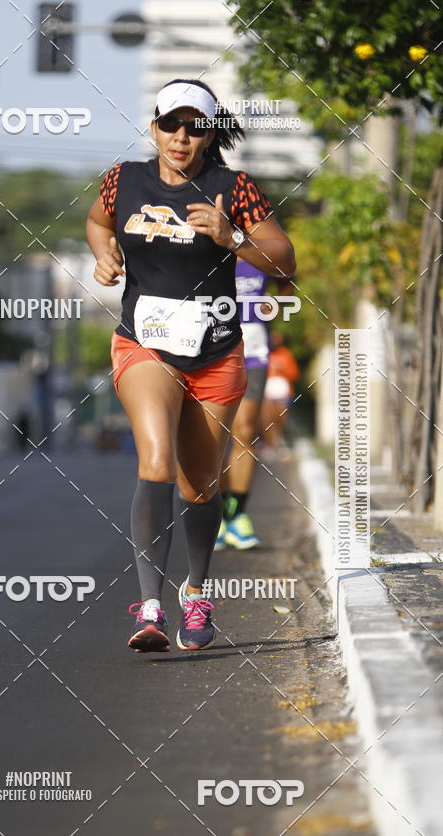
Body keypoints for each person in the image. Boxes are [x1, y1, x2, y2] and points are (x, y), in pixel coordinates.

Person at [85, 78, 295, 652]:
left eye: (195, 126)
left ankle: (196, 595)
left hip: (217, 352)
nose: (181, 136)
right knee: (154, 462)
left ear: (209, 134)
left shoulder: (234, 186)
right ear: (153, 127)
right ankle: (149, 607)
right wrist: (104, 256)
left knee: (198, 485)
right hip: (144, 344)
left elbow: (282, 259)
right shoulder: (123, 180)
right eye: (170, 124)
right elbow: (99, 222)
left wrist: (232, 236)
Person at [216, 266, 295, 550]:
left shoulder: (257, 250)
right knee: (214, 438)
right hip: (212, 354)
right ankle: (217, 517)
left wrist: (275, 302)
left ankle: (237, 515)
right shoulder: (205, 243)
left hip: (253, 353)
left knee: (245, 431)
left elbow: (288, 280)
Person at [261, 331, 300, 451]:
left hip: (283, 393)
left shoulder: (287, 355)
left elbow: (295, 374)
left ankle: (283, 440)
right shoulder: (264, 354)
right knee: (267, 418)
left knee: (281, 418)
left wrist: (281, 370)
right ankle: (270, 443)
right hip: (267, 393)